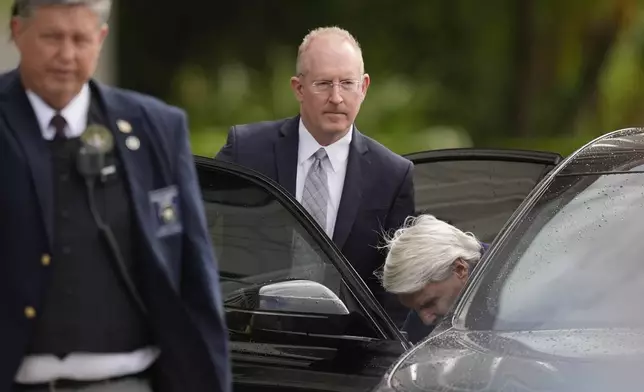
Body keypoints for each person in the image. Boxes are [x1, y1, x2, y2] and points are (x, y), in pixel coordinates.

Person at [0, 1, 230, 391]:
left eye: (80, 39)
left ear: (101, 39)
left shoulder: (156, 127)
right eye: (53, 37)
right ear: (18, 32)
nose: (67, 54)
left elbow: (193, 275)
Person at [215, 26, 415, 323]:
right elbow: (193, 226)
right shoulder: (247, 151)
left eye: (347, 83)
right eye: (323, 84)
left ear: (364, 87)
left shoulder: (392, 175)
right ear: (298, 88)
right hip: (251, 341)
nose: (336, 97)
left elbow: (398, 284)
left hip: (345, 351)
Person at [380, 214, 488, 343]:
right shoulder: (423, 297)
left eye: (430, 303)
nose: (426, 320)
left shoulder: (513, 289)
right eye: (415, 310)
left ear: (460, 270)